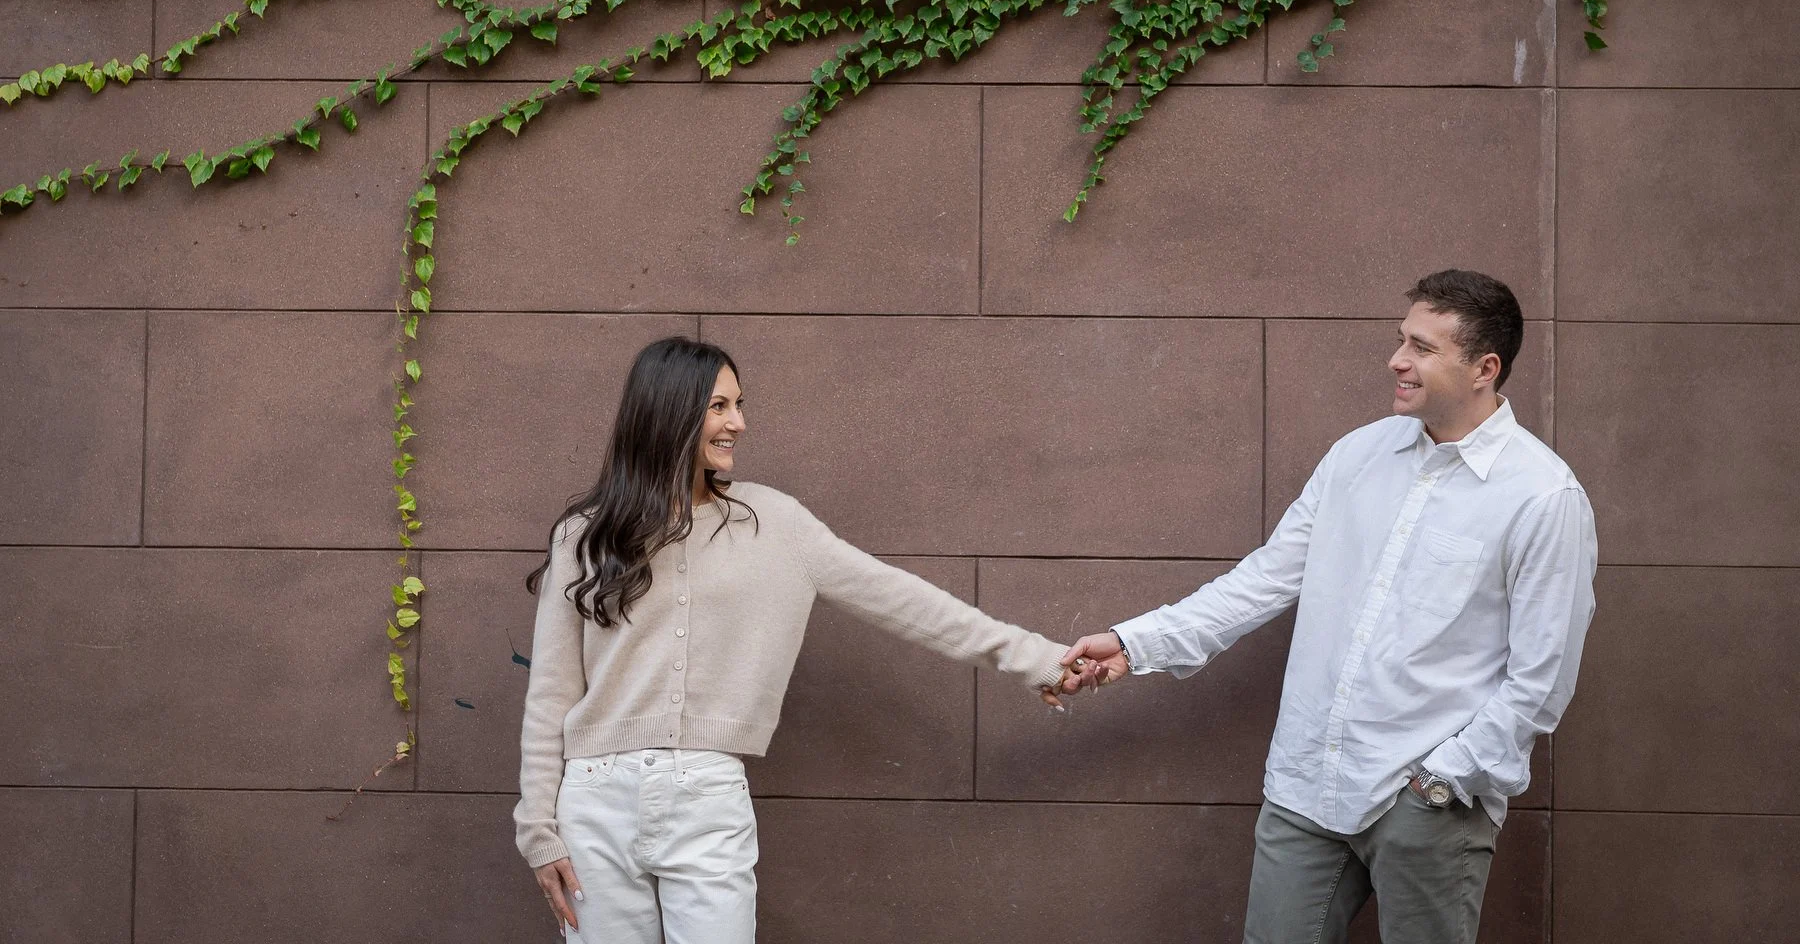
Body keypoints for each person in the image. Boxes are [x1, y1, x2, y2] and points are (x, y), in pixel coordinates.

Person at [1061, 269, 1597, 944]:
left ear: (1484, 368)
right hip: (1308, 784)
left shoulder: (1543, 497)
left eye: (1423, 348)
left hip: (1430, 803)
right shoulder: (1357, 456)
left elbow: (1540, 681)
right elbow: (1262, 581)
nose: (1397, 359)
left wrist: (1441, 781)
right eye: (1402, 339)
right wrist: (1136, 645)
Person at [514, 336, 1084, 942]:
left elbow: (908, 603)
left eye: (738, 405)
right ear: (668, 413)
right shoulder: (586, 535)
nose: (738, 422)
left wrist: (1038, 660)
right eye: (719, 407)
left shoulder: (777, 525)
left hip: (706, 796)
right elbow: (551, 692)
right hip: (593, 802)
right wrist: (539, 830)